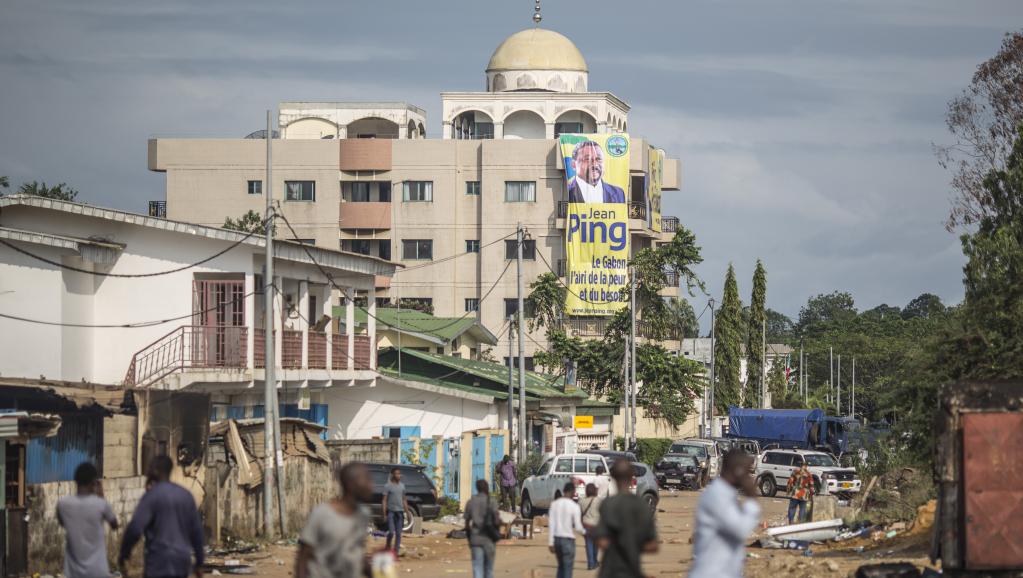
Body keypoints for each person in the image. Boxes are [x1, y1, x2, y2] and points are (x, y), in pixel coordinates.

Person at [119, 455, 204, 578]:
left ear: (156, 470)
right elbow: (196, 531)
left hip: (158, 561)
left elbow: (136, 527)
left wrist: (124, 554)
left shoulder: (152, 496)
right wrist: (199, 561)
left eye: (150, 468)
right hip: (181, 561)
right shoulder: (185, 495)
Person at [687, 449, 762, 578]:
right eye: (746, 472)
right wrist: (752, 498)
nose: (748, 477)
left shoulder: (726, 494)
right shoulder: (717, 495)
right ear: (737, 471)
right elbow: (740, 529)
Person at [295, 462, 374, 578]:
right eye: (366, 480)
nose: (371, 486)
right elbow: (303, 556)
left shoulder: (363, 515)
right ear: (350, 484)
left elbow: (356, 554)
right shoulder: (322, 514)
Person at [593, 460, 657, 578]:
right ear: (632, 477)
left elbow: (600, 540)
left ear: (613, 477)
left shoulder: (608, 504)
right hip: (632, 571)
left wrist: (616, 546)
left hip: (609, 572)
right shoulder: (642, 505)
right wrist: (632, 545)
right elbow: (653, 545)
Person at [57, 462, 119, 578]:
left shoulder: (63, 505)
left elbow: (62, 523)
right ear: (93, 482)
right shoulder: (101, 505)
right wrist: (100, 494)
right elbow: (115, 525)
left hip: (74, 573)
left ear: (76, 481)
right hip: (98, 572)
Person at [464, 479, 501, 578]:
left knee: (477, 569)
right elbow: (497, 520)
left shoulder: (471, 502)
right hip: (489, 539)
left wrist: (469, 538)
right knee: (489, 570)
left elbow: (467, 524)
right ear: (486, 488)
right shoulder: (492, 501)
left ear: (477, 488)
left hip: (475, 539)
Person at [548, 482, 584, 578]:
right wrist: (585, 533)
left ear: (563, 491)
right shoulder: (574, 506)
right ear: (573, 492)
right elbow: (578, 527)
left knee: (561, 567)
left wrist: (550, 542)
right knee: (567, 568)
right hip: (568, 540)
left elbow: (551, 524)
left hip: (557, 540)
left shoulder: (554, 504)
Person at [382, 467, 409, 555]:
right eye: (397, 474)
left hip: (400, 513)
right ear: (392, 475)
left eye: (399, 474)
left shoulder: (402, 486)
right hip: (391, 512)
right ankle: (388, 546)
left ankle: (396, 552)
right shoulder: (387, 486)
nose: (399, 475)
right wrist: (384, 514)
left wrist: (407, 512)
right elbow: (384, 500)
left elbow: (404, 499)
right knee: (391, 532)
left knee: (398, 533)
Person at [577, 483, 603, 571]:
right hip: (597, 525)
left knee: (589, 544)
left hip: (586, 525)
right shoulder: (599, 501)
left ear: (586, 491)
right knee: (596, 545)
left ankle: (590, 563)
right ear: (595, 491)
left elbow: (579, 514)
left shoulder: (581, 501)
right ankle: (595, 561)